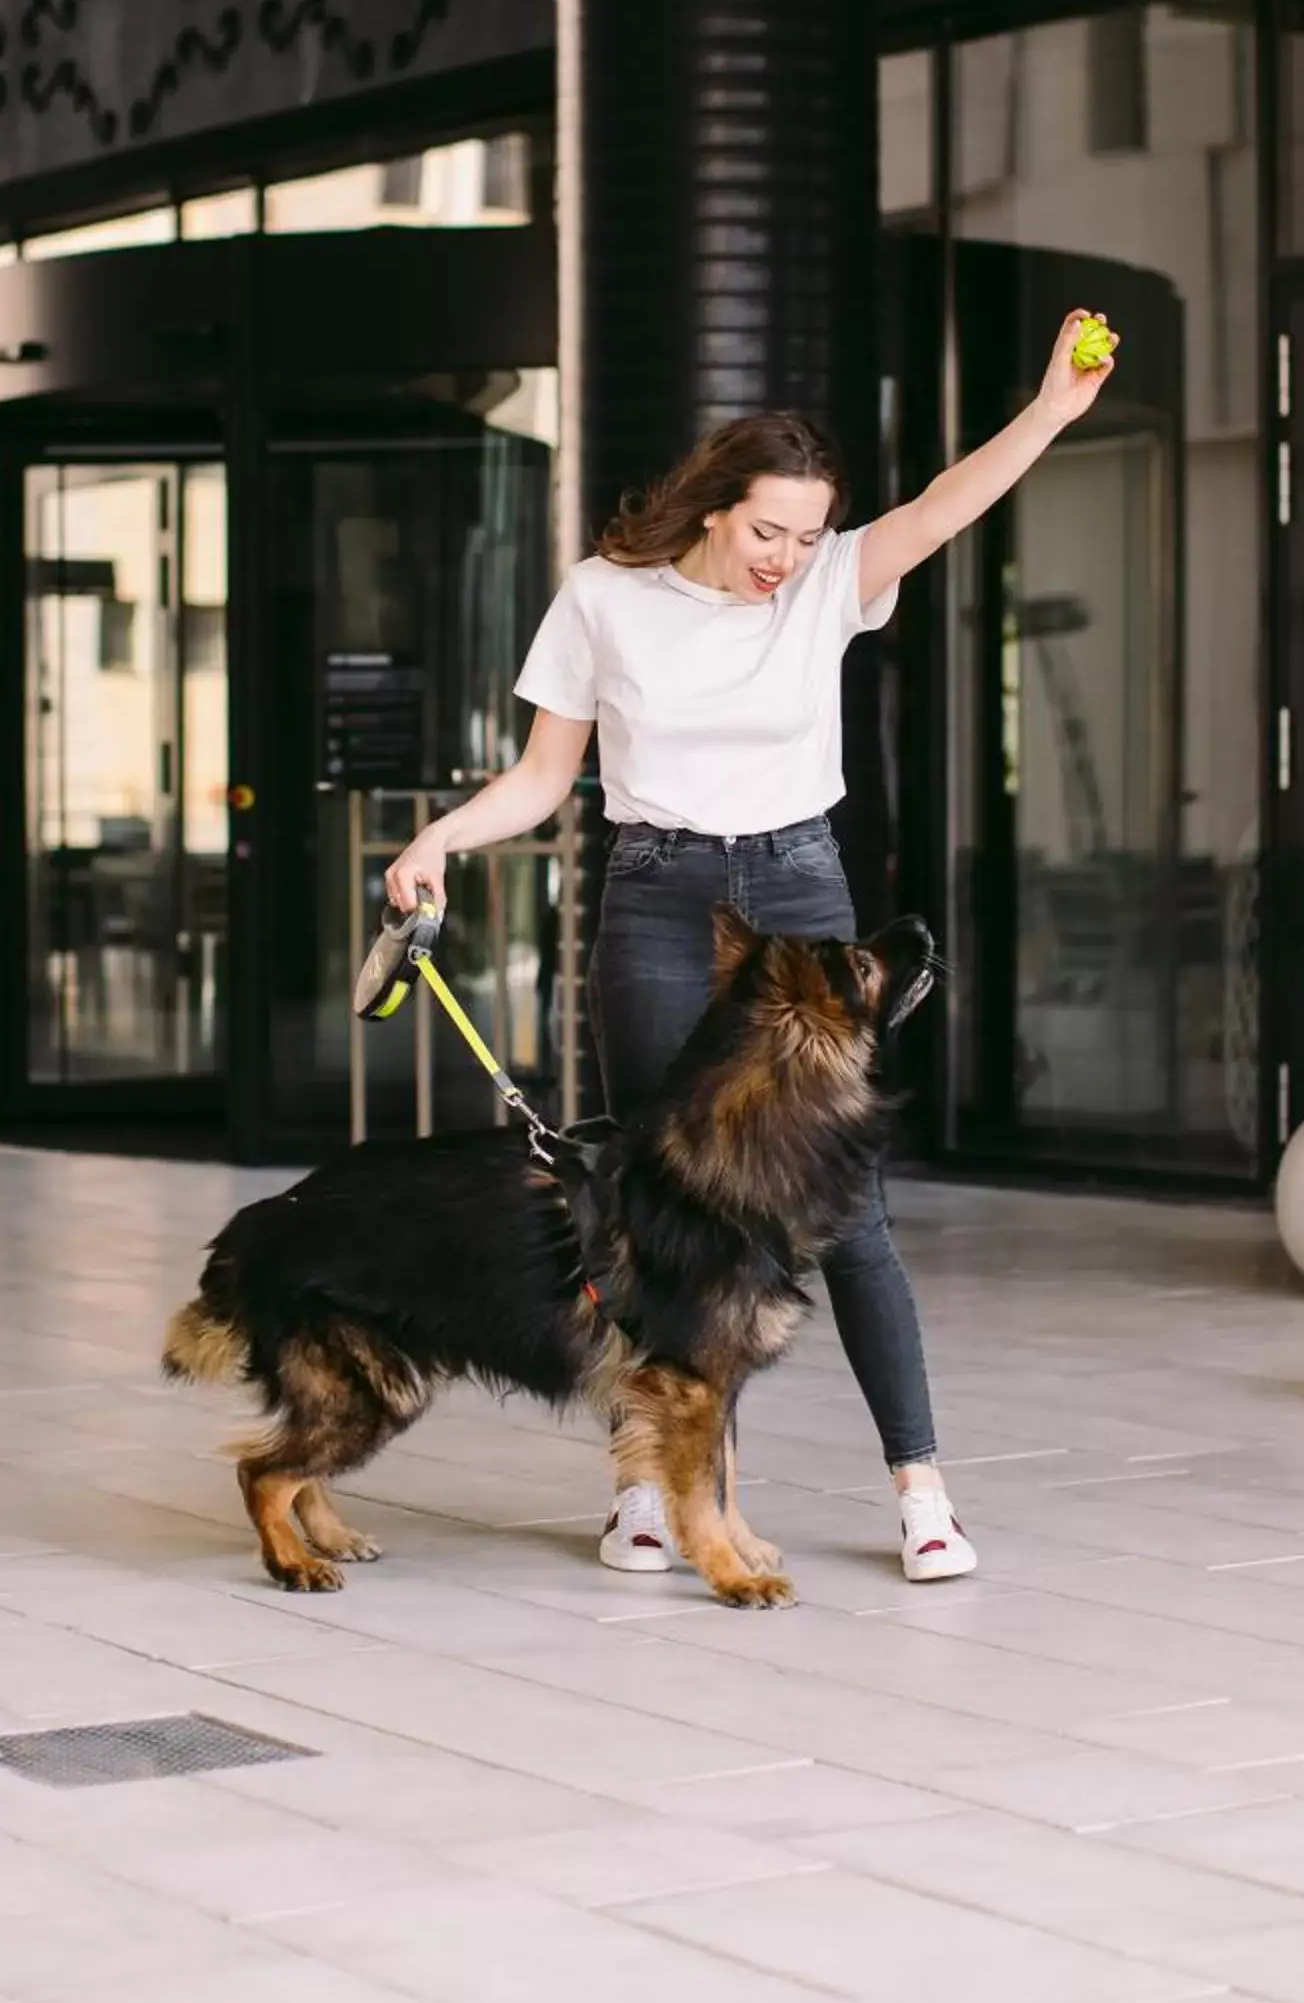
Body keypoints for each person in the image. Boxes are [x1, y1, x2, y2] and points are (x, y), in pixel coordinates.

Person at [388, 308, 1119, 1584]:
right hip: (658, 897)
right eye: (767, 529)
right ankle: (649, 1492)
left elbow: (948, 503)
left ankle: (921, 1492)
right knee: (645, 1212)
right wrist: (442, 837)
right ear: (716, 506)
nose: (787, 556)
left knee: (850, 1217)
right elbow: (542, 777)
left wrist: (1053, 406)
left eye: (807, 533)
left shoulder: (833, 583)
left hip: (795, 889)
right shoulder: (605, 599)